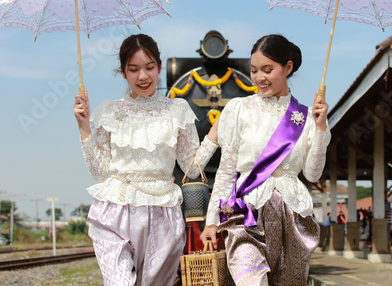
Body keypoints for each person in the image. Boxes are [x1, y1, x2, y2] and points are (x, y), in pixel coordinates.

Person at [73, 34, 219, 286]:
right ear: (122, 72)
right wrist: (84, 126)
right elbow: (98, 172)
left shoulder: (177, 110)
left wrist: (214, 135)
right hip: (115, 211)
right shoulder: (109, 111)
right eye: (134, 69)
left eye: (149, 68)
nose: (143, 76)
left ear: (159, 68)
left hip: (163, 213)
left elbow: (191, 168)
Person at [199, 34, 331, 285]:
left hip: (292, 217)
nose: (259, 78)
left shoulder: (305, 118)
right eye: (254, 70)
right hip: (247, 213)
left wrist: (321, 127)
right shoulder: (239, 109)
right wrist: (211, 221)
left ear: (288, 67)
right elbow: (226, 171)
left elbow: (313, 174)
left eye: (268, 70)